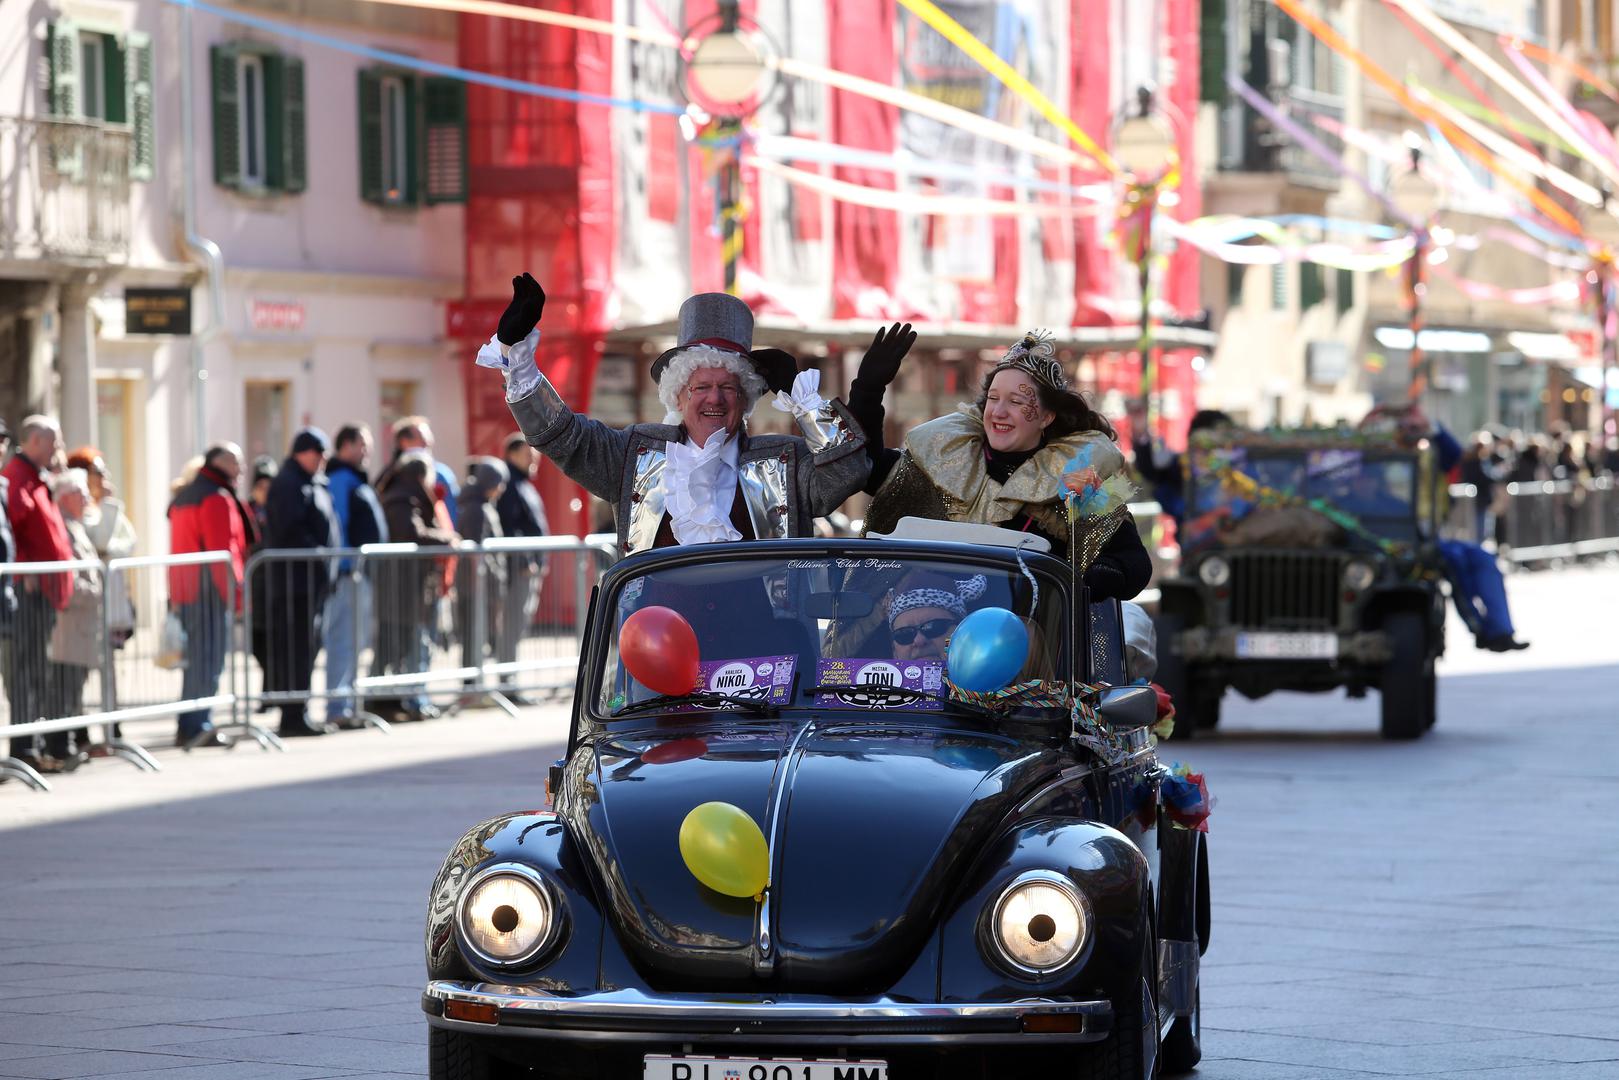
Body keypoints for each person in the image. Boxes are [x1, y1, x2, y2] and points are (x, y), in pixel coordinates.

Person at [477, 273, 869, 555]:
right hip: (659, 649)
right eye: (701, 387)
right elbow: (563, 437)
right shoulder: (634, 453)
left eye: (728, 387)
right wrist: (519, 356)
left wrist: (805, 402)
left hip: (766, 651)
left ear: (745, 397)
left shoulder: (784, 459)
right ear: (679, 396)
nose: (715, 398)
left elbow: (848, 473)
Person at [853, 329, 1151, 601]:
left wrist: (1098, 575)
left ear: (1047, 417)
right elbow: (868, 468)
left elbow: (1132, 560)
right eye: (993, 398)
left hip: (1030, 640)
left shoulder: (1079, 476)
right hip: (935, 635)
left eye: (1016, 402)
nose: (999, 411)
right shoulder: (947, 462)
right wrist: (868, 391)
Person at [1376, 405, 1527, 653]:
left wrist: (1428, 424)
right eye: (1404, 427)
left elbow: (1454, 453)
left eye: (1413, 427)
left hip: (1427, 535)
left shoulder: (1428, 455)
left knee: (1484, 559)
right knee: (1456, 563)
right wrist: (1382, 417)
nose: (1409, 432)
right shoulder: (1378, 456)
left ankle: (1502, 629)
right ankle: (1484, 631)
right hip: (1393, 539)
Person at [167, 443, 252, 747]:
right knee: (208, 662)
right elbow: (222, 554)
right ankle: (197, 725)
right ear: (221, 463)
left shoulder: (185, 496)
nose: (241, 469)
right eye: (236, 462)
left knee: (198, 662)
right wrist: (236, 597)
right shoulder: (216, 498)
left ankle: (190, 723)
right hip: (208, 592)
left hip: (188, 589)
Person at [3, 415, 73, 774]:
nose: (58, 449)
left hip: (44, 591)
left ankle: (35, 745)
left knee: (38, 670)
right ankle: (25, 749)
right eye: (54, 442)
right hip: (30, 591)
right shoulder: (16, 478)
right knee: (27, 671)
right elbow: (10, 529)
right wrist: (26, 568)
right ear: (35, 442)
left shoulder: (37, 477)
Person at [263, 428, 341, 737]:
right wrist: (319, 555)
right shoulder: (288, 484)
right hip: (295, 582)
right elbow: (290, 530)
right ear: (301, 452)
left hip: (311, 581)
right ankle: (293, 715)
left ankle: (300, 710)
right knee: (295, 648)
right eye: (317, 452)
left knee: (307, 648)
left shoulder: (311, 482)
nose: (322, 459)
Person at [374, 451, 457, 721]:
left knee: (407, 644)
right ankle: (391, 701)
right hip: (403, 586)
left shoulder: (404, 493)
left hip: (412, 585)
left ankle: (405, 700)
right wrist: (446, 538)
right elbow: (411, 533)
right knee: (399, 646)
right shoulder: (402, 496)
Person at [323, 424, 388, 729]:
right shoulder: (340, 479)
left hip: (358, 572)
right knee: (344, 641)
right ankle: (338, 706)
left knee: (355, 640)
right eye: (363, 444)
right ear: (346, 445)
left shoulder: (352, 479)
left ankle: (346, 705)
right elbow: (340, 525)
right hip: (348, 573)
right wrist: (347, 565)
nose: (368, 451)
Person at [43, 470, 103, 768]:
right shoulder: (63, 527)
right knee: (63, 689)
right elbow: (66, 577)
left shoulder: (76, 526)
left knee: (73, 688)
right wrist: (91, 591)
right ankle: (59, 745)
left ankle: (68, 743)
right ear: (65, 497)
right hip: (70, 621)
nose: (87, 498)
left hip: (81, 622)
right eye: (80, 493)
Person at [494, 433, 550, 704]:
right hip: (520, 568)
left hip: (530, 566)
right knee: (513, 625)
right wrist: (525, 559)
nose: (534, 461)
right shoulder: (510, 485)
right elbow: (510, 527)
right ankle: (508, 684)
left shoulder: (523, 484)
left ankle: (510, 680)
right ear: (513, 454)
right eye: (529, 455)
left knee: (519, 623)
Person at [454, 457, 509, 698]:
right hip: (476, 586)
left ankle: (475, 685)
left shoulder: (481, 505)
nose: (502, 489)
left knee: (479, 636)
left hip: (483, 584)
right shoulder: (476, 509)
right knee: (473, 636)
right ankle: (471, 687)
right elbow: (476, 552)